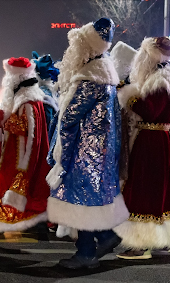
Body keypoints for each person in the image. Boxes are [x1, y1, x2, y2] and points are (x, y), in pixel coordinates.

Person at [46, 18, 129, 269]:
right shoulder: (106, 77)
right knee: (90, 200)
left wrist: (60, 153)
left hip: (85, 151)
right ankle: (99, 240)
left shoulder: (90, 79)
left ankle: (88, 250)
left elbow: (70, 118)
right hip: (101, 151)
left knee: (80, 199)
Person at [115, 37, 170, 259]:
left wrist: (128, 96)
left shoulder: (159, 80)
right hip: (156, 138)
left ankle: (142, 242)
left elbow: (150, 111)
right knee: (162, 186)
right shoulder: (168, 77)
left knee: (144, 188)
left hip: (149, 140)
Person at [0, 57, 52, 233]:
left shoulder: (27, 102)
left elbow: (24, 128)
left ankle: (21, 221)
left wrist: (0, 120)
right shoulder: (29, 99)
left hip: (21, 155)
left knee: (13, 186)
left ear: (16, 79)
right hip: (20, 152)